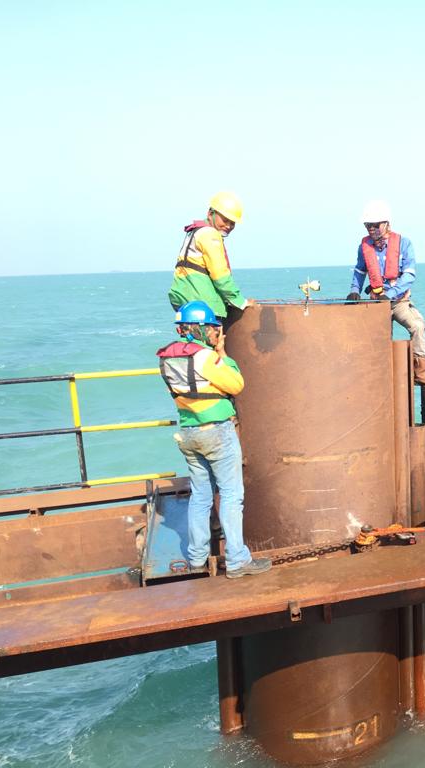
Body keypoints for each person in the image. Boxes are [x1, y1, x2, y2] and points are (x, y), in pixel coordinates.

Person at [157, 300, 271, 579]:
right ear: (200, 328)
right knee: (232, 494)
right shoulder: (206, 358)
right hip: (216, 432)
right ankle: (237, 561)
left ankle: (196, 559)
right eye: (211, 328)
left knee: (200, 496)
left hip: (188, 433)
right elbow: (236, 384)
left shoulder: (166, 358)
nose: (214, 332)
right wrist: (222, 353)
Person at [345, 200, 425, 387]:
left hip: (398, 301)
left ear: (386, 224)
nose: (371, 229)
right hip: (377, 304)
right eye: (368, 225)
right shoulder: (364, 247)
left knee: (417, 326)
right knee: (379, 337)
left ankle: (420, 372)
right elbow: (359, 271)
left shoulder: (404, 244)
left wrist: (391, 294)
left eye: (375, 225)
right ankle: (379, 375)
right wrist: (354, 291)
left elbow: (409, 275)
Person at [168, 191, 253, 330]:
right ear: (210, 213)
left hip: (185, 300)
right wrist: (239, 302)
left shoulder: (195, 231)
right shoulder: (210, 234)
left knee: (193, 342)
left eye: (232, 223)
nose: (228, 226)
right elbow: (220, 274)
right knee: (210, 344)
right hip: (202, 302)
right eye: (225, 220)